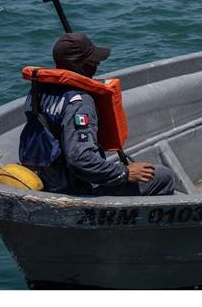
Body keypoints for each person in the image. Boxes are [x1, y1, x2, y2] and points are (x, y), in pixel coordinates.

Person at [18, 32, 175, 195]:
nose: (98, 64)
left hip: (47, 180)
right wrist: (125, 173)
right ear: (79, 64)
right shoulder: (79, 103)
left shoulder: (37, 92)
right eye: (92, 61)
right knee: (162, 176)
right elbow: (80, 160)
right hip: (76, 190)